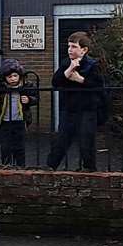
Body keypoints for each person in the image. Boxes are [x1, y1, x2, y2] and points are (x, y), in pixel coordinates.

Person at [47, 32, 106, 171]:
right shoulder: (65, 63)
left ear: (84, 50)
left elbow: (99, 86)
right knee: (61, 140)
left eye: (74, 46)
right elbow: (55, 82)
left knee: (86, 141)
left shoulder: (92, 65)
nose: (70, 49)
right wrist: (68, 71)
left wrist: (80, 80)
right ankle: (50, 167)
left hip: (87, 109)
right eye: (69, 46)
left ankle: (89, 169)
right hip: (68, 108)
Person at [0, 58, 33, 167]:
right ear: (5, 78)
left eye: (15, 76)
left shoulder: (26, 86)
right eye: (10, 77)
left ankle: (21, 167)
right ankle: (6, 166)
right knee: (5, 147)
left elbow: (36, 98)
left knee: (20, 146)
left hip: (20, 121)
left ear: (20, 75)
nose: (13, 79)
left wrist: (29, 100)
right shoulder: (1, 88)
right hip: (5, 121)